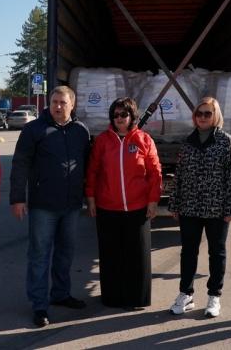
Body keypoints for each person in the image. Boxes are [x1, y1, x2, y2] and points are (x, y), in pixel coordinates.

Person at [10, 85, 91, 328]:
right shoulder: (34, 129)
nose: (57, 106)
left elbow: (88, 167)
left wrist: (90, 198)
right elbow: (20, 164)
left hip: (72, 204)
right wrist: (17, 198)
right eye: (54, 102)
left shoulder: (81, 131)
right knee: (39, 255)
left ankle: (61, 294)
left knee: (65, 253)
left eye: (62, 103)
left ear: (72, 104)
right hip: (43, 205)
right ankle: (39, 305)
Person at [168, 97, 231, 319]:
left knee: (216, 253)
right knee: (188, 252)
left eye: (207, 113)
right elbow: (179, 175)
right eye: (199, 113)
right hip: (190, 206)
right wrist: (174, 203)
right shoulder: (187, 142)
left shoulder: (225, 141)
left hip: (216, 208)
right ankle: (186, 294)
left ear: (215, 115)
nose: (202, 117)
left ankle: (214, 295)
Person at [86, 97, 162, 309]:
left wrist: (153, 200)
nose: (119, 118)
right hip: (107, 207)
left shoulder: (144, 140)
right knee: (110, 255)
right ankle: (112, 297)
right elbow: (93, 171)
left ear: (132, 116)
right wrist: (91, 198)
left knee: (137, 256)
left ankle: (137, 298)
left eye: (124, 114)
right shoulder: (102, 141)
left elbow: (155, 173)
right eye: (116, 115)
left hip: (137, 208)